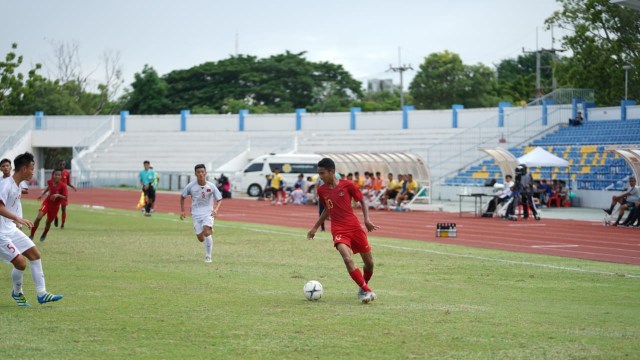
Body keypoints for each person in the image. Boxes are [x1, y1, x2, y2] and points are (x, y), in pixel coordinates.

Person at [307, 157, 379, 304]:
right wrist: (315, 227)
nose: (320, 177)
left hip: (355, 228)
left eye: (322, 173)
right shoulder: (322, 190)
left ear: (331, 171)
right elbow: (327, 209)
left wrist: (366, 220)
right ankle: (366, 289)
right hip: (338, 229)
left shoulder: (348, 185)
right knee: (347, 258)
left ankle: (363, 286)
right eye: (319, 174)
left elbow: (362, 201)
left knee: (369, 263)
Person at [0, 152, 63, 307]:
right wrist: (18, 218)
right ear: (23, 169)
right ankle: (17, 293)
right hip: (1, 233)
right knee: (21, 263)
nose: (33, 171)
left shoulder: (17, 185)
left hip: (10, 228)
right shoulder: (5, 185)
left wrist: (16, 221)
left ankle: (42, 294)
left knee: (35, 254)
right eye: (32, 168)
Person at [180, 164, 223, 263]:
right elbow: (182, 197)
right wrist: (182, 210)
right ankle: (208, 232)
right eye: (198, 172)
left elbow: (219, 199)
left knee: (206, 231)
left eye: (202, 172)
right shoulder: (191, 186)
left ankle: (208, 256)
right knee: (200, 238)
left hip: (208, 213)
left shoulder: (211, 186)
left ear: (205, 173)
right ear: (195, 174)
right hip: (196, 214)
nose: (200, 174)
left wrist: (216, 209)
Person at [30, 169, 68, 241]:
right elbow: (49, 188)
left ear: (61, 177)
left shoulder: (63, 186)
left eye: (59, 175)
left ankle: (44, 233)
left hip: (55, 207)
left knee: (48, 222)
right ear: (53, 175)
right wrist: (42, 194)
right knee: (38, 217)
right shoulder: (50, 182)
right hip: (47, 202)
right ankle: (31, 235)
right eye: (55, 175)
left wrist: (58, 195)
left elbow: (66, 198)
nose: (57, 176)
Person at [53, 159, 76, 228]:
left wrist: (72, 187)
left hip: (64, 193)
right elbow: (53, 182)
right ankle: (56, 218)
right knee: (54, 208)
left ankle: (62, 224)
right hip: (57, 192)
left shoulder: (67, 173)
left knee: (63, 209)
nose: (62, 166)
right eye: (61, 164)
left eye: (63, 164)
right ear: (59, 165)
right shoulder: (56, 172)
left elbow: (68, 183)